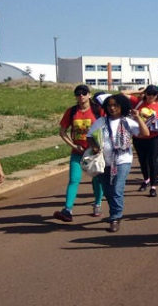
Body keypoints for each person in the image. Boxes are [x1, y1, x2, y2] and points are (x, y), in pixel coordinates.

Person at [87, 94, 149, 232]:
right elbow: (89, 136)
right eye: (109, 105)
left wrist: (138, 118)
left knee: (116, 189)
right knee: (108, 191)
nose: (112, 108)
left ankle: (115, 217)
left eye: (115, 105)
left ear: (122, 106)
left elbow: (145, 133)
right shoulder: (101, 121)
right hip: (104, 161)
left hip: (122, 160)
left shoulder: (127, 121)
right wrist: (94, 147)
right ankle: (114, 212)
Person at [53, 85, 104, 222]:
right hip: (78, 151)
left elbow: (106, 128)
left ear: (89, 94)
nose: (81, 95)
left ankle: (97, 203)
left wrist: (99, 146)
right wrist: (74, 146)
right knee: (74, 179)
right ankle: (67, 210)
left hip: (94, 152)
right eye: (78, 93)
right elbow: (62, 132)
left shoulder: (98, 110)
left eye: (84, 93)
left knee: (97, 179)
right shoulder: (71, 112)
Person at [126, 85, 158, 197]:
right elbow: (123, 94)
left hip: (154, 137)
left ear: (157, 95)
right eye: (148, 94)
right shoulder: (138, 102)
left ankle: (153, 186)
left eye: (153, 94)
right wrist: (139, 91)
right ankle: (146, 179)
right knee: (142, 160)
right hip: (139, 137)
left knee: (153, 161)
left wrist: (156, 123)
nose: (150, 96)